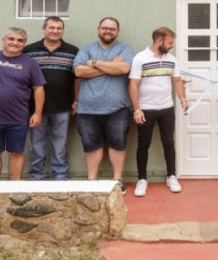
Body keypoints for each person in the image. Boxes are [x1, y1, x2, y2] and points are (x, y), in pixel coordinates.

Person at [73, 17, 134, 195]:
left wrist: (94, 63)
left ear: (118, 31)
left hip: (118, 107)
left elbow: (123, 69)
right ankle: (92, 180)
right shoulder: (87, 48)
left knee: (118, 143)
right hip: (87, 108)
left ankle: (117, 180)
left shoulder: (125, 48)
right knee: (91, 145)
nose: (108, 31)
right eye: (105, 28)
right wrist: (110, 66)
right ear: (98, 28)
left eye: (112, 29)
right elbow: (78, 71)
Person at [129, 27, 188, 197]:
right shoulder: (140, 58)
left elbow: (177, 81)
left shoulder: (172, 59)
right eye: (169, 42)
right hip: (145, 108)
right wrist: (137, 109)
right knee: (143, 144)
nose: (171, 46)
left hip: (166, 108)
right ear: (159, 40)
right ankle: (142, 180)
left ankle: (171, 176)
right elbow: (133, 84)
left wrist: (183, 100)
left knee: (168, 142)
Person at [0, 27, 46, 180]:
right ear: (4, 40)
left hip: (18, 118)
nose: (15, 43)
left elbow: (38, 88)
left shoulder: (30, 63)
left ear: (24, 44)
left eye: (20, 40)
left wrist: (37, 113)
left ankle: (14, 189)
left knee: (16, 153)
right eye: (11, 39)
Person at [23, 16, 79, 181]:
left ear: (62, 30)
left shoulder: (73, 51)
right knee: (36, 146)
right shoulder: (29, 50)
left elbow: (77, 79)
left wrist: (76, 100)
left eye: (59, 28)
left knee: (59, 145)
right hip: (35, 108)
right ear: (44, 29)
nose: (55, 31)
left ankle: (60, 177)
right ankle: (36, 176)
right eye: (51, 28)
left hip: (63, 106)